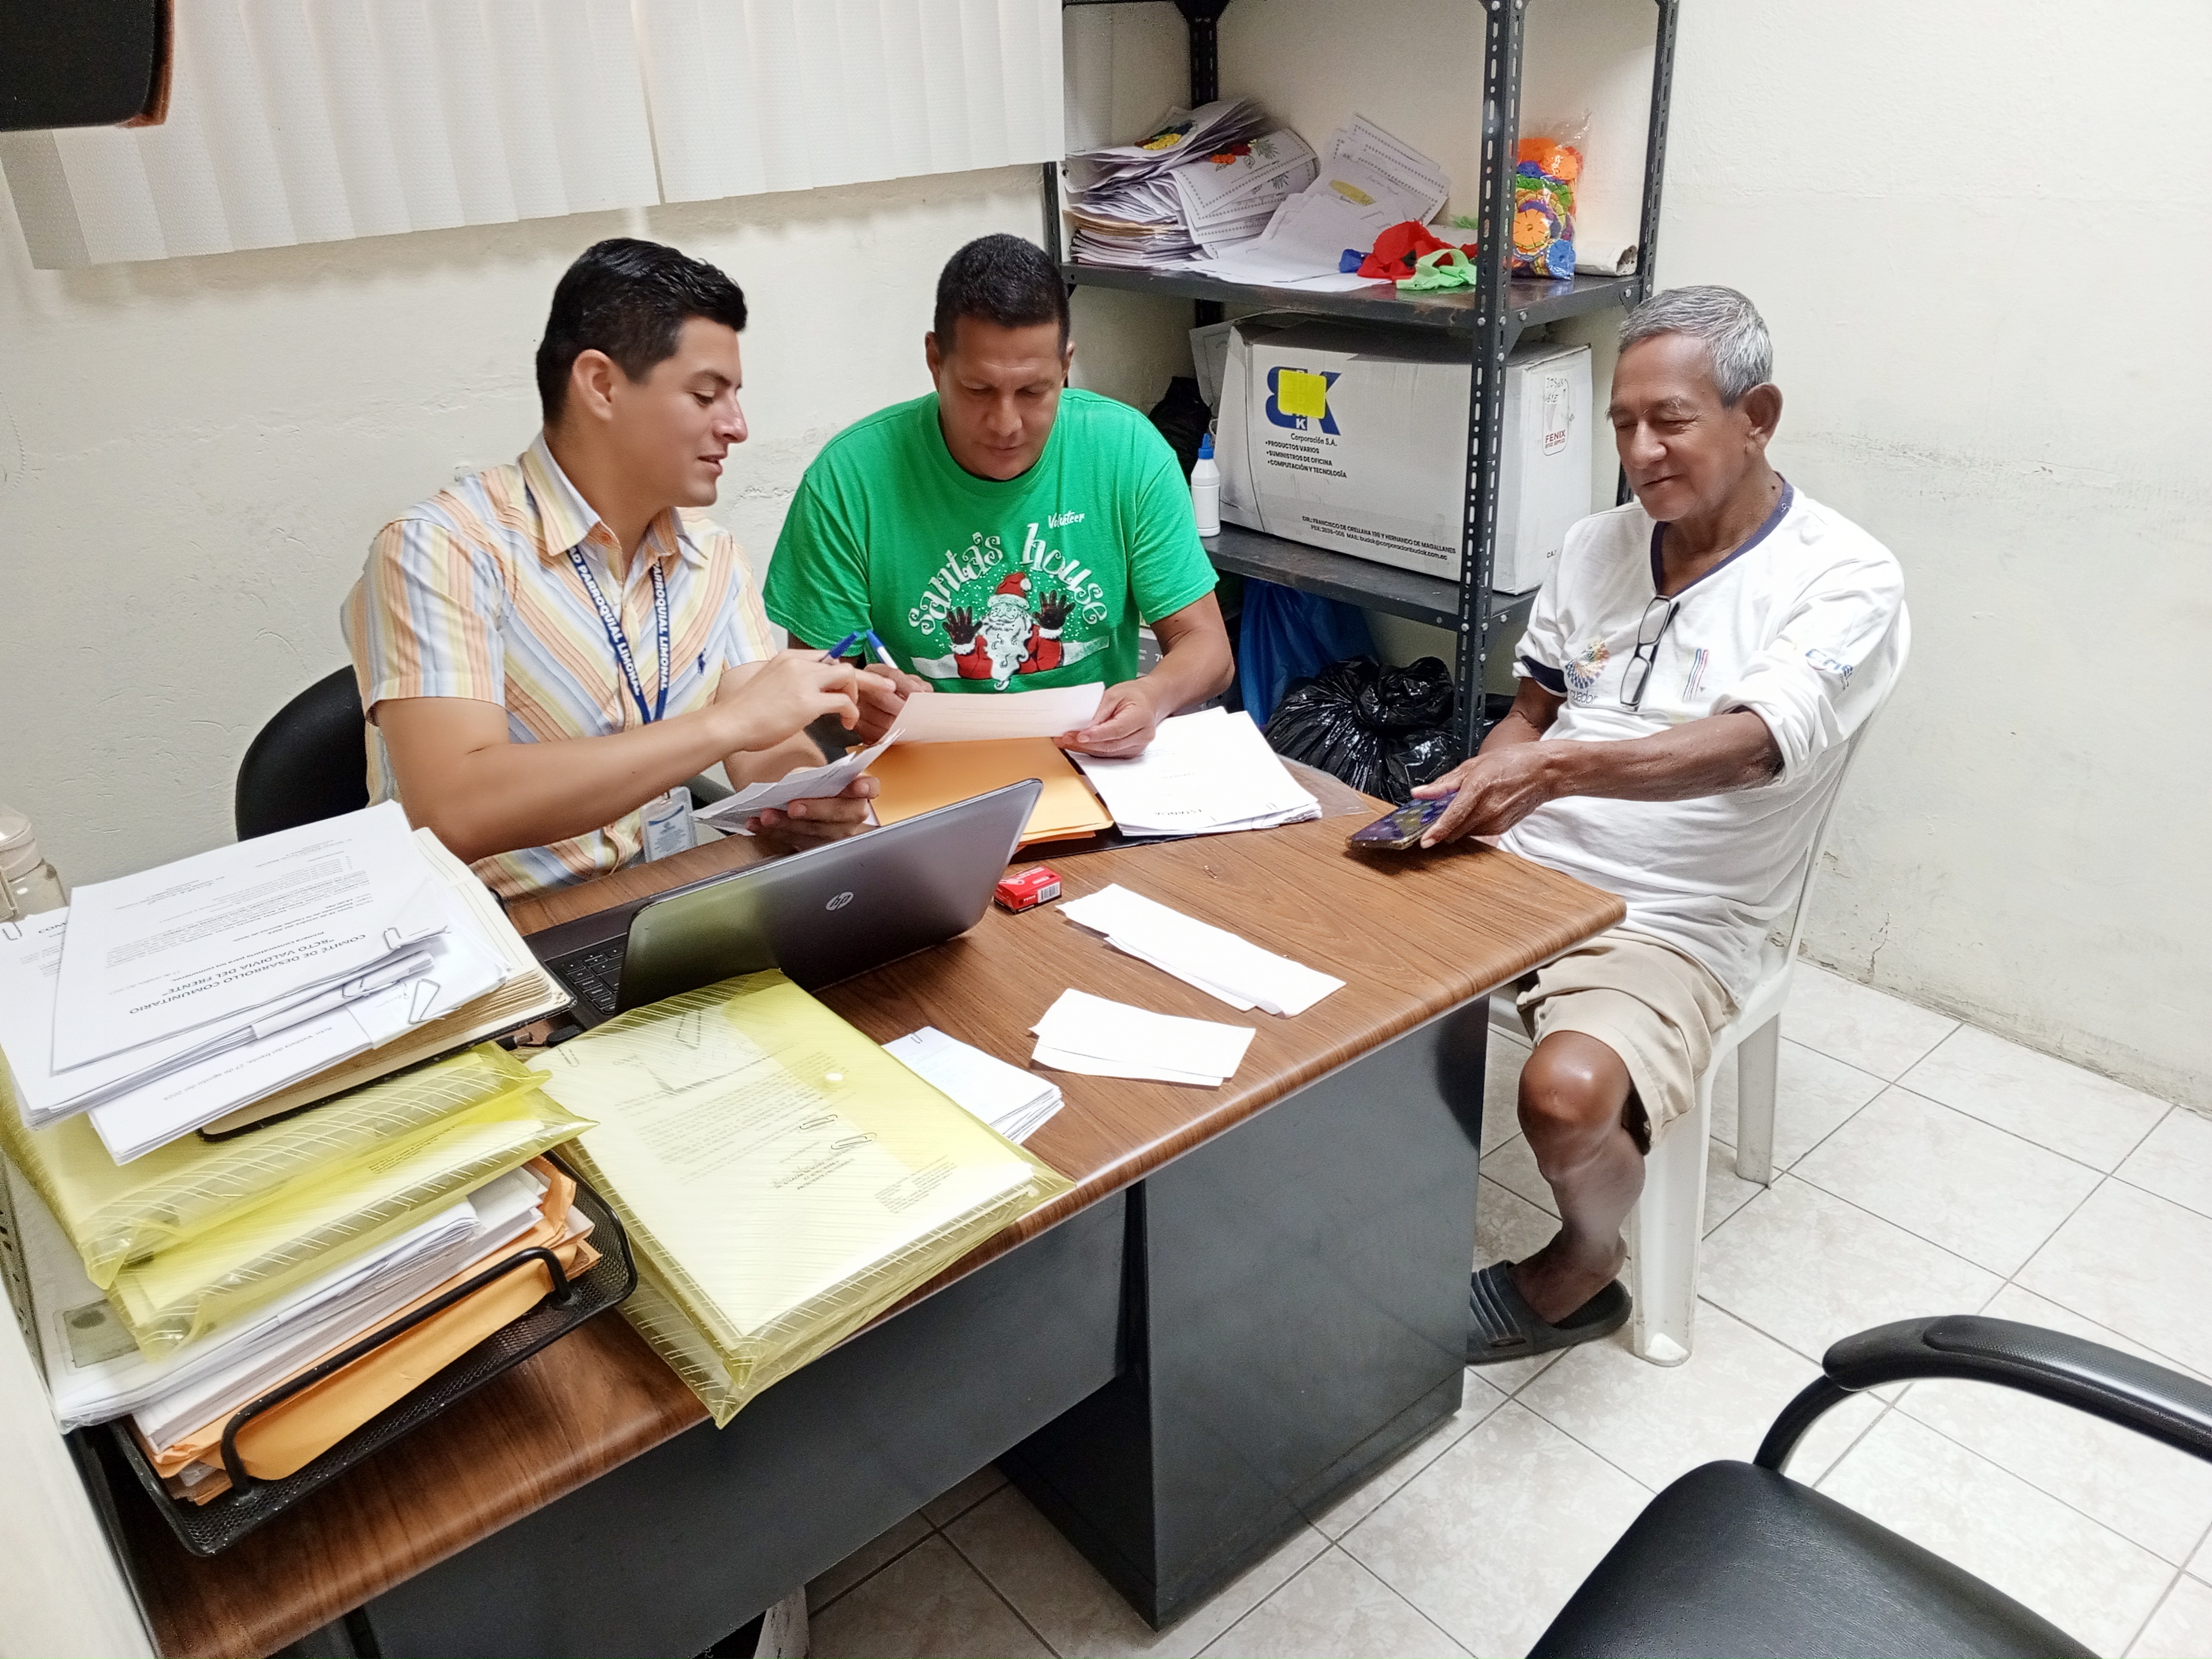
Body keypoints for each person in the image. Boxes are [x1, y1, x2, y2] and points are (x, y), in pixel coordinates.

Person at [1414, 287, 1906, 1363]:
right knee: (1326, 970)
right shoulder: (1597, 544)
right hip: (1520, 861)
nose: (1640, 452)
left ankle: (1585, 1265)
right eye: (1622, 424)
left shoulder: (1842, 576)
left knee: (1564, 1097)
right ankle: (1350, 1217)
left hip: (1676, 912)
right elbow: (1532, 711)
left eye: (1669, 421)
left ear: (1755, 415)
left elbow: (1748, 745)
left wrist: (1551, 770)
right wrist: (1480, 783)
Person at [345, 238, 897, 900]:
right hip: (490, 929)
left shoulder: (711, 554)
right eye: (705, 395)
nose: (737, 426)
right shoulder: (441, 549)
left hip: (652, 902)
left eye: (734, 396)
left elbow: (764, 743)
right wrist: (726, 725)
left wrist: (809, 795)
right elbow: (455, 809)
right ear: (602, 386)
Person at [762, 234, 1232, 757]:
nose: (1006, 424)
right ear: (935, 360)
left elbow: (1208, 648)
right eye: (978, 390)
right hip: (924, 775)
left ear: (1066, 366)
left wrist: (1154, 694)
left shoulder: (1126, 452)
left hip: (1090, 766)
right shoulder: (850, 479)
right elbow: (810, 698)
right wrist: (856, 708)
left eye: (1033, 391)